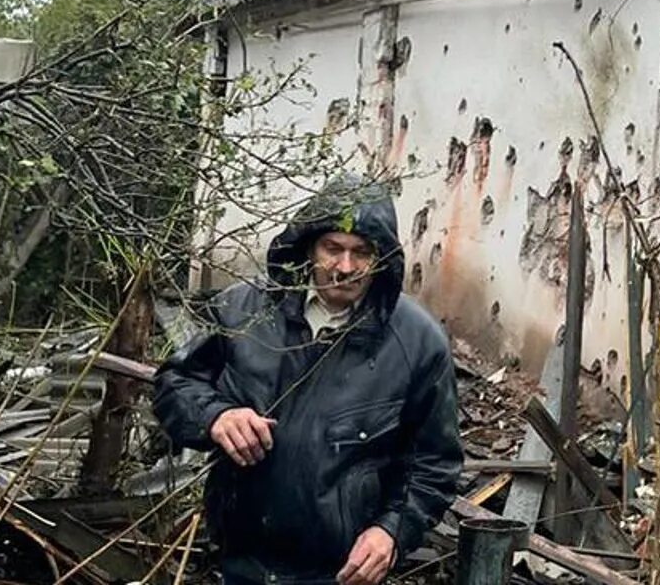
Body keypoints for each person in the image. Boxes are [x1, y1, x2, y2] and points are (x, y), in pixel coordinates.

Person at [154, 176, 462, 585]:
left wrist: (392, 531)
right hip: (236, 561)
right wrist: (215, 416)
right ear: (308, 246)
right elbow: (174, 383)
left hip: (338, 574)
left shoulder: (418, 344)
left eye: (361, 253)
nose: (345, 267)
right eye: (332, 248)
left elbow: (434, 466)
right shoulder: (244, 310)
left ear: (381, 258)